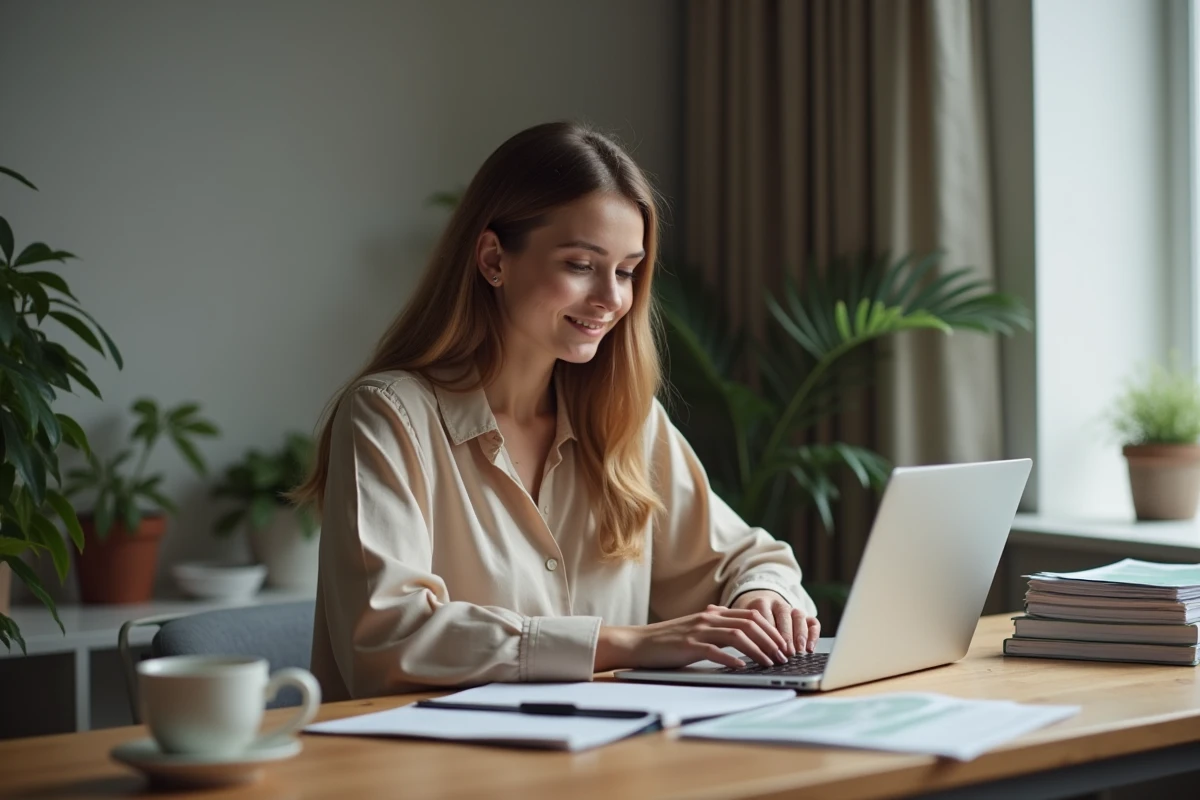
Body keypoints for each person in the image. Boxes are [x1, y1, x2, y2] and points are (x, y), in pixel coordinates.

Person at [292, 121, 820, 701]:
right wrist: (627, 644)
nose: (612, 298)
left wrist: (762, 600)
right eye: (580, 265)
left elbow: (749, 559)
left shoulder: (627, 421)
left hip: (606, 762)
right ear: (494, 258)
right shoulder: (388, 416)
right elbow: (388, 638)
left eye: (626, 271)